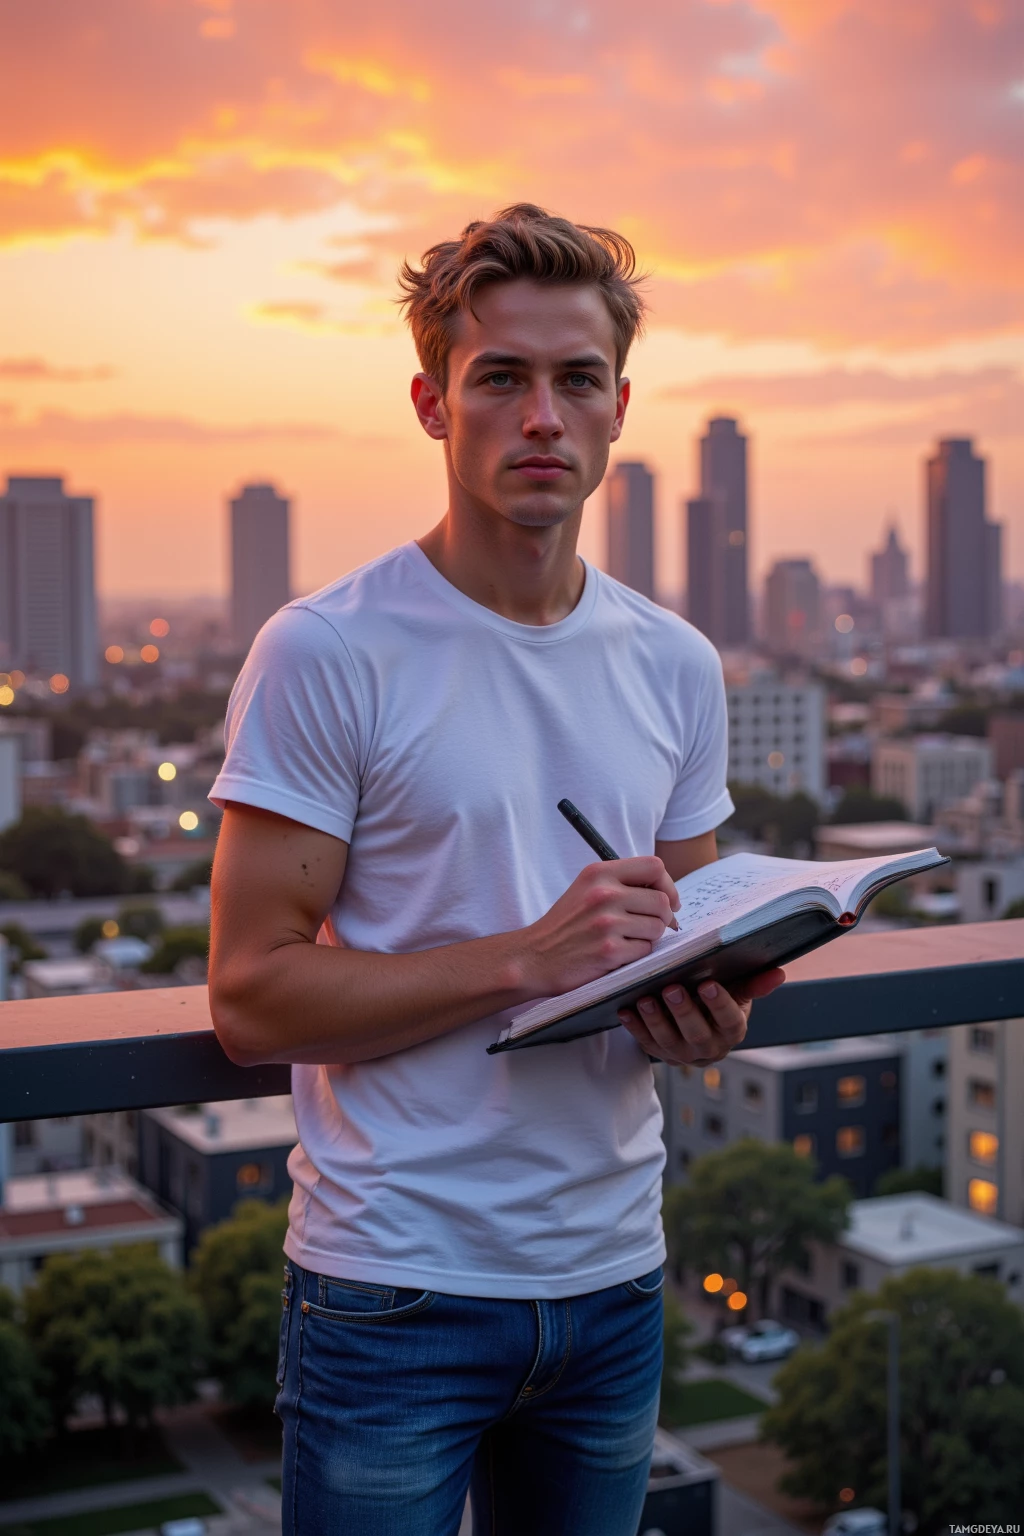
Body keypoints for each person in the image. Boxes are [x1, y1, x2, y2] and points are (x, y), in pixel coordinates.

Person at [208, 202, 784, 1536]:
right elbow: (249, 998)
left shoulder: (676, 662)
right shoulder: (327, 652)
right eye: (501, 379)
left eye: (576, 380)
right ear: (432, 403)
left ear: (620, 407)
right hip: (394, 1288)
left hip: (617, 1279)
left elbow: (685, 940)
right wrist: (525, 958)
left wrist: (711, 1018)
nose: (543, 417)